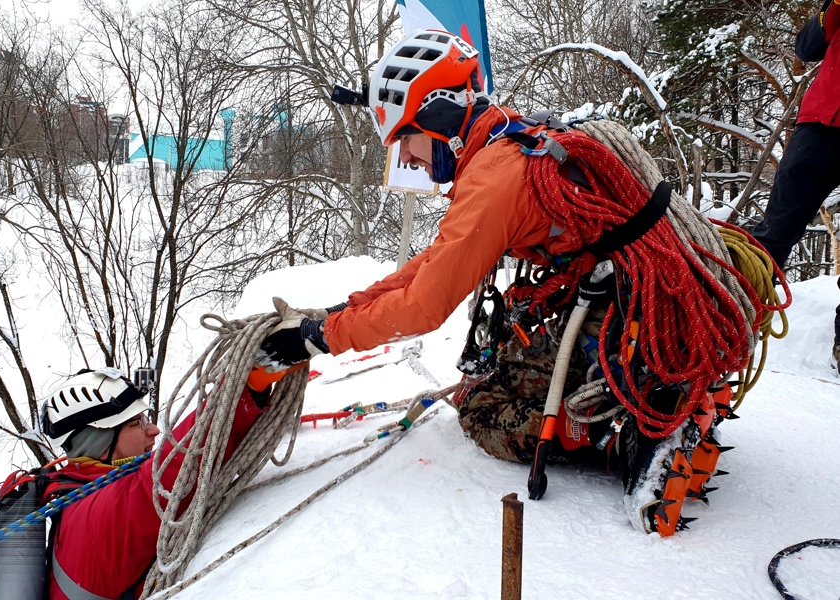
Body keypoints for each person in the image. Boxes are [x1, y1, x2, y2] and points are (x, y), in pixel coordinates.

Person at [260, 29, 759, 533]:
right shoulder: (507, 144)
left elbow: (423, 307)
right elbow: (434, 263)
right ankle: (664, 383)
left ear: (438, 118)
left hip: (639, 305)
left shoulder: (494, 180)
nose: (406, 158)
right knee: (505, 365)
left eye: (405, 139)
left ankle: (629, 423)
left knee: (479, 407)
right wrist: (341, 311)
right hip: (645, 296)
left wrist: (319, 340)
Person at [37, 367, 270, 599]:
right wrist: (247, 385)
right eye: (136, 423)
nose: (153, 430)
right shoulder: (90, 515)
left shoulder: (83, 492)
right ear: (99, 441)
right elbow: (165, 477)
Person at [749, 0, 840, 371]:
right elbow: (807, 47)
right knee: (774, 232)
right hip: (819, 126)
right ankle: (732, 320)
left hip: (819, 124)